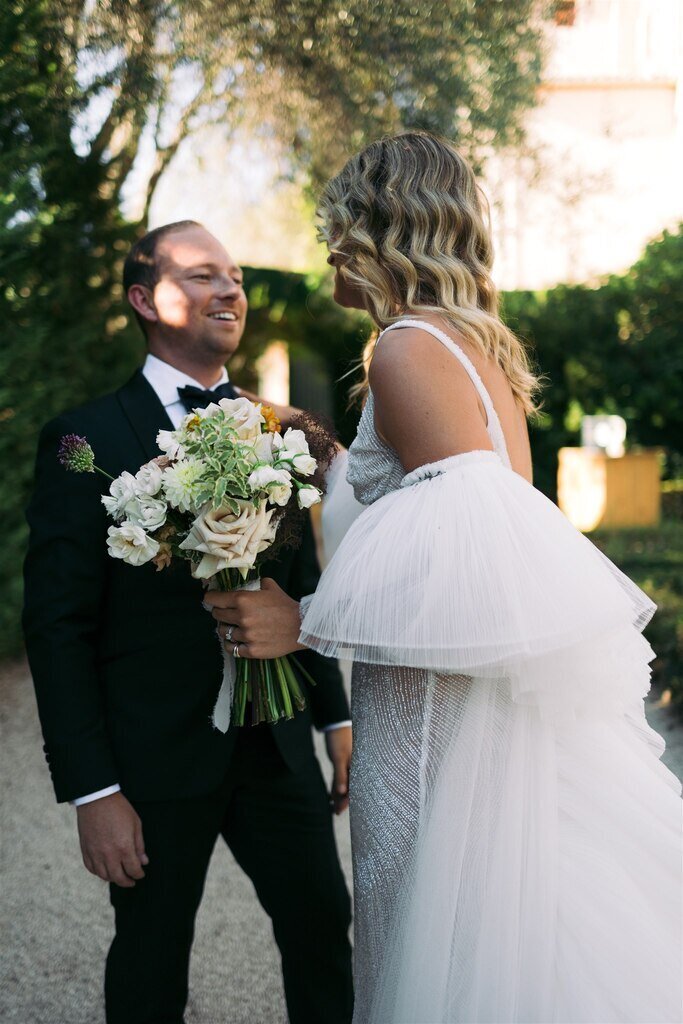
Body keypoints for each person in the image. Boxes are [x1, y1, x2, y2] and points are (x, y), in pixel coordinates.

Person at [205, 133, 683, 1024]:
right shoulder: (474, 350)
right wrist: (332, 456)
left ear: (379, 230)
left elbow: (463, 561)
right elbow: (448, 514)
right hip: (463, 700)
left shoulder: (402, 347)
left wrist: (301, 620)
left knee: (431, 925)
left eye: (336, 226)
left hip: (430, 713)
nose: (325, 248)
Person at [23, 221, 354, 1024]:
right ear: (145, 298)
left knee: (323, 931)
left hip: (276, 742)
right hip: (153, 757)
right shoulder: (85, 437)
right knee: (150, 951)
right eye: (202, 275)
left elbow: (300, 582)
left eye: (234, 276)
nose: (229, 290)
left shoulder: (278, 427)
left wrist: (335, 714)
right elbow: (57, 624)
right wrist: (92, 790)